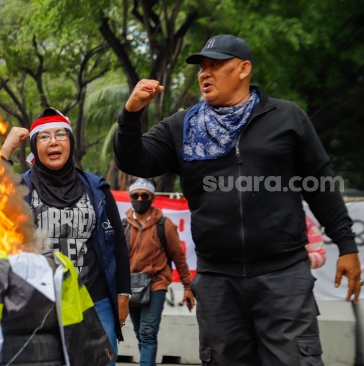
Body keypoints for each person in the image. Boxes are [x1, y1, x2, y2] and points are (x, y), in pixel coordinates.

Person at [113, 34, 361, 365]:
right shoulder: (182, 126)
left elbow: (321, 184)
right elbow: (134, 161)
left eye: (216, 65)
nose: (205, 73)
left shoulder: (287, 118)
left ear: (244, 69)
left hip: (283, 275)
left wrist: (346, 245)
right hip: (217, 281)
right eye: (202, 67)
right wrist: (130, 115)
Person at [1, 107, 131, 365]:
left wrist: (123, 294)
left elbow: (117, 242)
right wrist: (4, 153)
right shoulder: (20, 188)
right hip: (39, 302)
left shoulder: (96, 188)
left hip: (96, 300)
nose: (53, 141)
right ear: (34, 147)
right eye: (44, 136)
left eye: (61, 134)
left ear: (70, 142)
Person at [123, 178, 195, 366]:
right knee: (140, 333)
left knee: (147, 332)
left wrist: (187, 286)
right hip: (130, 286)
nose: (139, 198)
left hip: (156, 285)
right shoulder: (123, 225)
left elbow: (178, 257)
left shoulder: (164, 225)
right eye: (135, 195)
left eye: (144, 195)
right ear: (130, 197)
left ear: (152, 198)